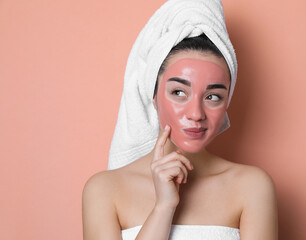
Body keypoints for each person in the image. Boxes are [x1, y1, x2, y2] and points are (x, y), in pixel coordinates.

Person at [82, 1, 278, 240]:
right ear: (153, 96)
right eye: (178, 92)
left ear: (227, 102)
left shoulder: (251, 187)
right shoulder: (104, 190)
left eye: (213, 96)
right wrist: (163, 207)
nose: (196, 113)